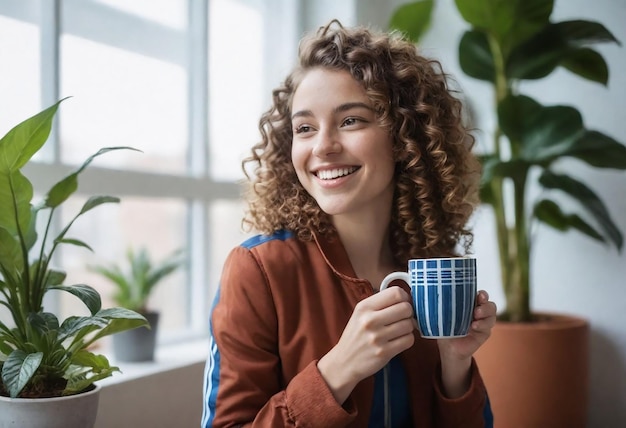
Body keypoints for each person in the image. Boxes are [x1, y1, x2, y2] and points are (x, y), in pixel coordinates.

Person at [201, 20, 497, 428]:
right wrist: (337, 371)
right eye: (304, 128)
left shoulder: (431, 266)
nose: (323, 146)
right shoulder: (260, 271)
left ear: (404, 135)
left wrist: (455, 363)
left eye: (351, 120)